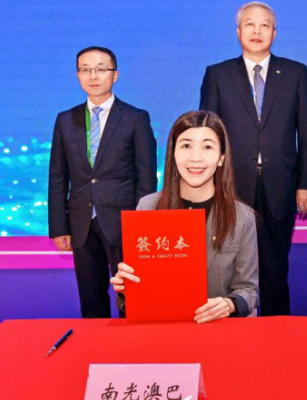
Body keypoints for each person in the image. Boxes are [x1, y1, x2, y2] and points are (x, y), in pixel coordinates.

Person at [199, 1, 307, 316]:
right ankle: (230, 325)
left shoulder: (295, 72)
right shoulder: (218, 74)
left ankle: (278, 330)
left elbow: (306, 131)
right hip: (231, 185)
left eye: (265, 25)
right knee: (229, 266)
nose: (257, 31)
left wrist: (306, 184)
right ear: (238, 31)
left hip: (281, 185)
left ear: (274, 33)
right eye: (250, 24)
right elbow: (207, 134)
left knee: (275, 267)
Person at [111, 111, 259, 321]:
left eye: (207, 147)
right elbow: (135, 298)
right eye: (186, 146)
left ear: (221, 158)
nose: (195, 157)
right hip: (163, 328)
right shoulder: (148, 207)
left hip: (218, 330)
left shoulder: (242, 217)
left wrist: (229, 304)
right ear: (173, 153)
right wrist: (126, 288)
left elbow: (249, 290)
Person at [48, 46, 157, 318]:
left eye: (100, 69)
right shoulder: (65, 119)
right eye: (85, 70)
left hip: (124, 222)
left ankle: (134, 343)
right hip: (81, 223)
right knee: (91, 297)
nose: (93, 76)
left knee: (131, 297)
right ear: (78, 75)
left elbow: (146, 177)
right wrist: (59, 227)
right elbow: (58, 176)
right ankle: (95, 343)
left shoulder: (135, 118)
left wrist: (141, 224)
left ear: (115, 74)